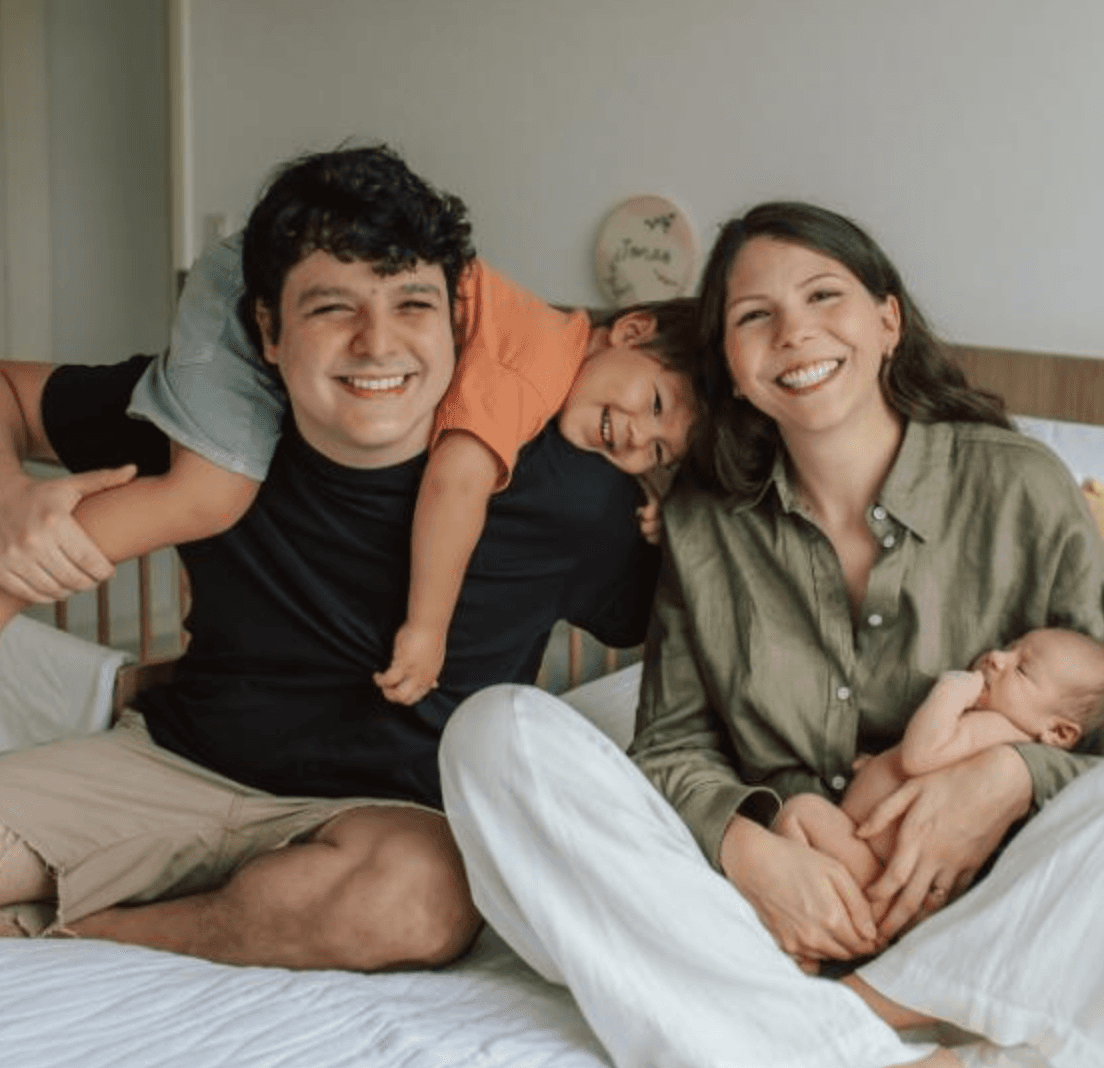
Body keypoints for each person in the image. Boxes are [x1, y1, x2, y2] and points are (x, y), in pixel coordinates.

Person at [437, 200, 1104, 1068]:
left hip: (994, 904)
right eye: (753, 316)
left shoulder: (1020, 486)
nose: (794, 333)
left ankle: (821, 1019)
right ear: (730, 368)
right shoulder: (703, 521)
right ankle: (839, 1041)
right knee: (490, 734)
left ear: (887, 322)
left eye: (823, 296)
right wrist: (750, 848)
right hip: (765, 918)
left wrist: (1006, 776)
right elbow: (672, 747)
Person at [0, 145, 697, 970]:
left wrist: (682, 512)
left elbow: (701, 622)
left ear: (456, 320)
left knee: (417, 901)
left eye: (412, 305)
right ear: (269, 330)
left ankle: (88, 932)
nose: (377, 344)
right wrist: (10, 495)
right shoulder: (211, 424)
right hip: (172, 767)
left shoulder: (575, 490)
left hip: (384, 825)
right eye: (333, 308)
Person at [0, 165, 692, 709]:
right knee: (208, 494)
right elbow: (455, 483)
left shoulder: (544, 379)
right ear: (630, 329)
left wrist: (673, 504)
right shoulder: (530, 366)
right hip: (262, 266)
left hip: (275, 264)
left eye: (660, 452)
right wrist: (426, 630)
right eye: (654, 403)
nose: (636, 439)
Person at [774, 628, 1104, 892]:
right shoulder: (994, 733)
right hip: (875, 863)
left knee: (799, 813)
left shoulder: (995, 729)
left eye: (1021, 668)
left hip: (876, 868)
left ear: (1059, 733)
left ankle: (818, 924)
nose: (996, 657)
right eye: (1011, 648)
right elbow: (922, 768)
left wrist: (950, 691)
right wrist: (876, 769)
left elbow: (918, 757)